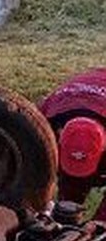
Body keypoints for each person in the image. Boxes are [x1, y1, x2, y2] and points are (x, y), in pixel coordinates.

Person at [39, 68, 106, 222]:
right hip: (72, 98)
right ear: (59, 133)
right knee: (68, 199)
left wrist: (99, 225)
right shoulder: (44, 119)